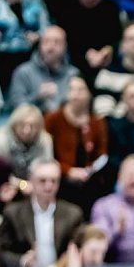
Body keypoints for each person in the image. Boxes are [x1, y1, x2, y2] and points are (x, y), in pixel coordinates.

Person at [0, 158, 83, 267]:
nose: (48, 186)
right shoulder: (13, 213)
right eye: (42, 180)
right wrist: (22, 261)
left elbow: (78, 249)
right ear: (31, 180)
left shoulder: (73, 214)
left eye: (53, 181)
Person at [44, 77, 111, 213]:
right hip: (61, 176)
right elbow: (46, 154)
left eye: (80, 90)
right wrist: (68, 171)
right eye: (71, 89)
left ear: (89, 94)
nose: (75, 94)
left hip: (88, 177)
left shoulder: (97, 122)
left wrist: (88, 170)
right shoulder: (53, 119)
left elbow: (102, 154)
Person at [57, 0, 123, 82]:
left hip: (107, 62)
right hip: (73, 62)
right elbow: (65, 40)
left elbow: (118, 37)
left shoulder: (111, 8)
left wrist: (108, 50)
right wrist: (86, 54)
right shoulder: (66, 8)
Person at [7, 25, 79, 115]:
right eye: (46, 41)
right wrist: (38, 97)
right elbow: (16, 107)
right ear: (40, 45)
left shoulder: (73, 74)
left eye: (57, 42)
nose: (51, 47)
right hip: (31, 126)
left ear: (65, 46)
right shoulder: (23, 72)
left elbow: (80, 106)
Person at [0, 103, 53, 182]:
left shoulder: (45, 140)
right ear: (14, 124)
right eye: (22, 125)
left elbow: (48, 171)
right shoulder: (1, 140)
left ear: (39, 127)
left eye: (32, 126)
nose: (27, 131)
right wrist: (22, 185)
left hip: (35, 185)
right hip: (6, 184)